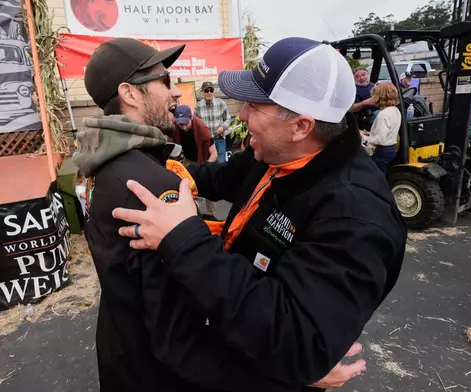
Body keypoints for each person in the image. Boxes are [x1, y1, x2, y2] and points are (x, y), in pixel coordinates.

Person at [72, 37, 366, 392]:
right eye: (165, 81)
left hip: (128, 351)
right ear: (130, 94)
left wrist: (301, 364)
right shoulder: (151, 185)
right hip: (151, 369)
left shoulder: (353, 214)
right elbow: (179, 339)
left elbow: (297, 336)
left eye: (255, 106)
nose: (176, 92)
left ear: (301, 126)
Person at [362, 82, 402, 172]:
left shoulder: (383, 115)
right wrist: (371, 133)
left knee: (376, 176)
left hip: (381, 151)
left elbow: (379, 140)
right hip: (391, 149)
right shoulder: (395, 110)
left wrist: (362, 136)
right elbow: (389, 130)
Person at [195, 81, 230, 163]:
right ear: (202, 92)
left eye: (211, 90)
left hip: (219, 138)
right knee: (208, 163)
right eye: (206, 91)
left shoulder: (221, 103)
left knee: (221, 163)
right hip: (206, 141)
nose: (209, 93)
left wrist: (222, 127)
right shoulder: (198, 106)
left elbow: (228, 119)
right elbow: (196, 123)